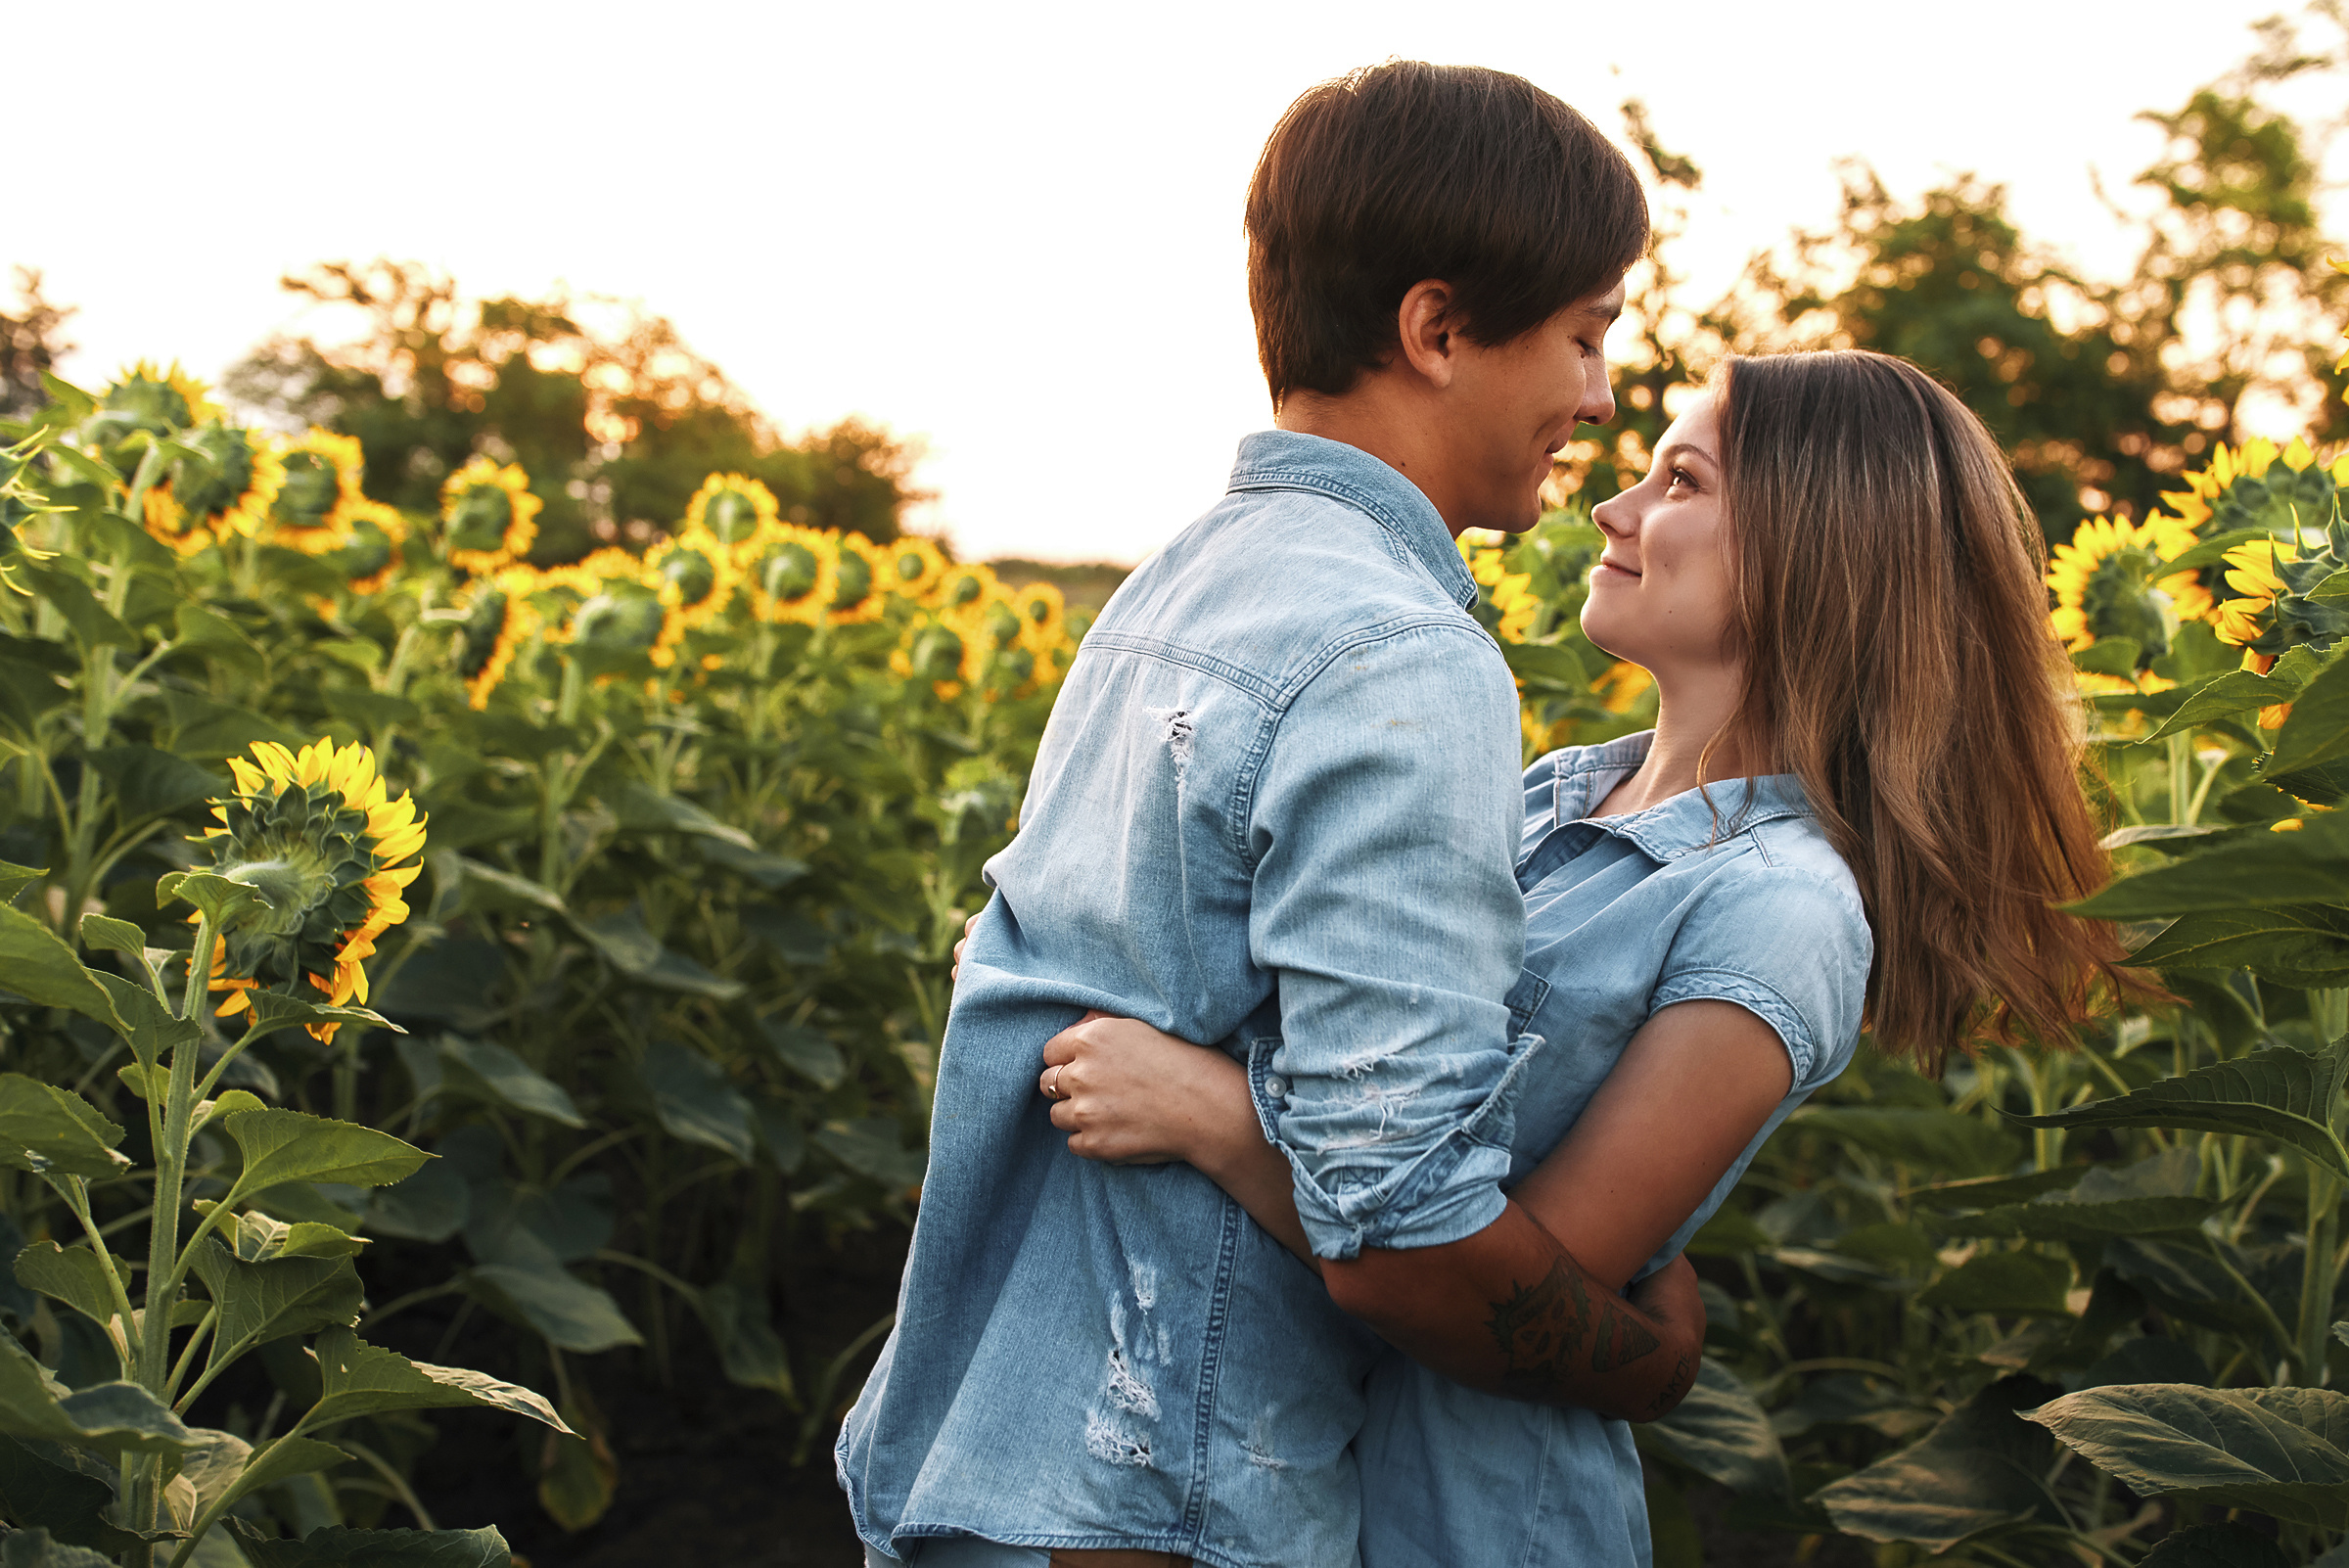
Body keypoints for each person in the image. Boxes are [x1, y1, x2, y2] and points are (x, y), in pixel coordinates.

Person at [1032, 349, 2138, 1565]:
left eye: (1682, 480)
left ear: (1818, 551)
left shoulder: (1783, 908)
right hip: (1286, 1464)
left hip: (1461, 1516)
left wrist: (1213, 1115)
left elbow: (1492, 1295)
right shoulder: (1552, 799)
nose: (1614, 507)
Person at [838, 61, 1711, 1568]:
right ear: (1438, 329)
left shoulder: (1173, 586)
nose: (1599, 397)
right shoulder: (1398, 653)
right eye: (1584, 334)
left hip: (1008, 1432)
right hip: (1169, 1479)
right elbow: (1397, 1218)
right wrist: (1650, 1362)